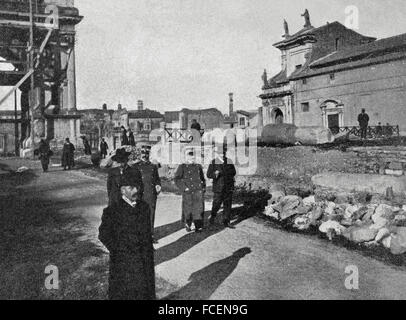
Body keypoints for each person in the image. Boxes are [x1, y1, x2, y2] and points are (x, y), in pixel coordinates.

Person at [98, 173, 155, 300]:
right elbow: (103, 234)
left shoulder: (144, 208)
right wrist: (119, 250)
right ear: (122, 190)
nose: (136, 190)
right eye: (131, 188)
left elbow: (146, 232)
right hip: (123, 262)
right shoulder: (112, 211)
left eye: (137, 187)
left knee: (145, 291)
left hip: (144, 259)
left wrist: (148, 249)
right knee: (124, 292)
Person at [174, 150, 206, 232]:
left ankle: (198, 226)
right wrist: (184, 188)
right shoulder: (182, 166)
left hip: (198, 190)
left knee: (198, 209)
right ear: (186, 157)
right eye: (190, 156)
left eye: (193, 156)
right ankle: (188, 223)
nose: (192, 158)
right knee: (188, 209)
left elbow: (202, 178)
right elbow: (177, 179)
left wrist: (203, 188)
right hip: (188, 191)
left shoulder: (198, 166)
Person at [135, 146, 161, 243]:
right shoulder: (135, 166)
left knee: (150, 214)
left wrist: (158, 185)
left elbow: (157, 179)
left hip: (150, 194)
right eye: (143, 153)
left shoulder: (153, 166)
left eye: (147, 153)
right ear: (139, 154)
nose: (144, 155)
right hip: (139, 195)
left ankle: (150, 235)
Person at [207, 145, 237, 228]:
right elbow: (209, 174)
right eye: (220, 153)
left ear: (225, 152)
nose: (222, 154)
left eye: (223, 152)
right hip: (218, 188)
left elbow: (234, 172)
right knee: (216, 204)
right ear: (217, 153)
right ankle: (212, 217)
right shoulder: (213, 162)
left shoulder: (229, 161)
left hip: (228, 187)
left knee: (227, 204)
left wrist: (228, 175)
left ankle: (226, 221)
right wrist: (215, 174)